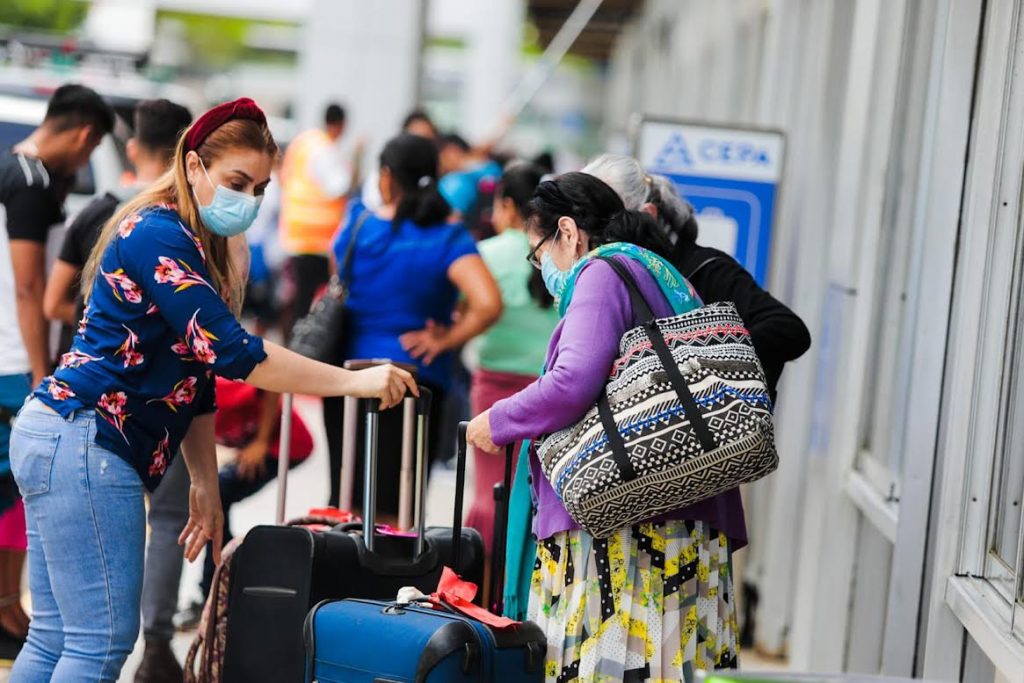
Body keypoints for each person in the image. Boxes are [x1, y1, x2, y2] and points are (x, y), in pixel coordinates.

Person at [7, 97, 415, 681]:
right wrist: (353, 382)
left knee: (55, 638)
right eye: (237, 182)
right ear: (193, 166)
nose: (248, 199)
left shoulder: (190, 241)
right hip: (84, 442)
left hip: (64, 436)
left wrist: (204, 481)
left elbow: (196, 381)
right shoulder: (159, 233)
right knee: (98, 643)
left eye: (261, 188)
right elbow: (233, 353)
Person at [467, 172, 743, 682]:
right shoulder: (662, 272)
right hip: (681, 518)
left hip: (625, 532)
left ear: (568, 233)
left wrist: (499, 419)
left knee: (610, 668)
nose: (542, 268)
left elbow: (572, 382)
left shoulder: (600, 273)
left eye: (538, 253)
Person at [322, 133, 501, 513]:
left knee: (347, 497)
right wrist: (446, 339)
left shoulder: (358, 223)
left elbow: (337, 274)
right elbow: (488, 304)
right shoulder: (449, 238)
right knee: (400, 504)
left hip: (349, 377)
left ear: (387, 177)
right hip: (415, 380)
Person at [0, 83, 114, 652]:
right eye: (91, 148)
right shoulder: (31, 183)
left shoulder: (16, 171)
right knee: (15, 487)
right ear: (85, 134)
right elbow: (28, 287)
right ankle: (4, 609)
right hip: (14, 358)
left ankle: (6, 607)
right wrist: (42, 371)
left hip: (11, 355)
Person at [582, 154, 811, 402]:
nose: (591, 236)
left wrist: (698, 364)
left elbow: (789, 330)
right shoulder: (605, 278)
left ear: (647, 215)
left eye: (603, 222)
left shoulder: (706, 269)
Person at [463, 163, 557, 579]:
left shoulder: (485, 254)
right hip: (546, 390)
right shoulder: (558, 254)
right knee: (532, 492)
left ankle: (481, 588)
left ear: (506, 205)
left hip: (493, 384)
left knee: (489, 491)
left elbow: (465, 312)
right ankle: (519, 591)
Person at [44, 99, 193, 333]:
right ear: (186, 158)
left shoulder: (95, 213)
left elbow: (53, 305)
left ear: (132, 149)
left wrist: (104, 321)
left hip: (96, 349)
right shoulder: (193, 221)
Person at [278, 103, 359, 340]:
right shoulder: (326, 149)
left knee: (300, 297)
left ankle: (294, 344)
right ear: (341, 125)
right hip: (319, 240)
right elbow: (340, 187)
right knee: (318, 301)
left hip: (297, 234)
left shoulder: (303, 142)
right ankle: (303, 348)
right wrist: (356, 160)